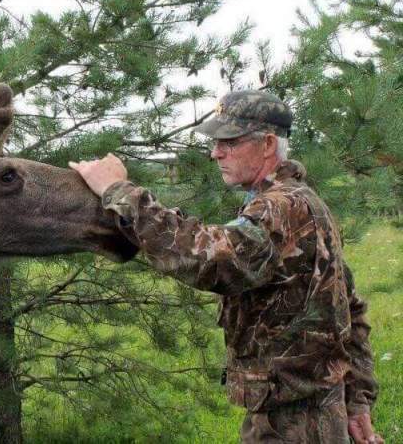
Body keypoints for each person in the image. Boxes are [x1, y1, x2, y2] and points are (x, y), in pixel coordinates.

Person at [70, 90, 383, 443]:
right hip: (305, 411)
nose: (215, 152)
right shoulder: (302, 201)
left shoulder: (281, 209)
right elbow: (348, 308)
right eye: (215, 142)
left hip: (292, 422)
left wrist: (119, 191)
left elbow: (207, 258)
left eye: (229, 142)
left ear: (267, 144)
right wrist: (357, 401)